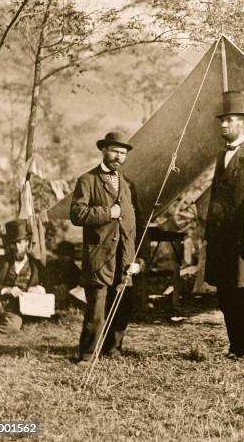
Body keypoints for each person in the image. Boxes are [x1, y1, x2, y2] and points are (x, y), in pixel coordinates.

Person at [70, 131, 146, 363]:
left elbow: (138, 223)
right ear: (103, 150)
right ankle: (87, 353)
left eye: (123, 153)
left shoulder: (129, 185)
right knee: (97, 308)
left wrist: (138, 258)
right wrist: (107, 213)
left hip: (124, 257)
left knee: (122, 305)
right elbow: (76, 214)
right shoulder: (87, 180)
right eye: (114, 151)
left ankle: (113, 349)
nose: (118, 157)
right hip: (99, 256)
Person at [204, 91, 244, 361]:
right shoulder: (221, 156)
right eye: (222, 121)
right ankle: (236, 347)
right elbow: (216, 197)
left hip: (242, 238)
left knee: (243, 294)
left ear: (243, 122)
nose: (223, 125)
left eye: (229, 120)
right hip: (220, 239)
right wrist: (209, 234)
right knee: (225, 294)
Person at [0, 219, 46, 333]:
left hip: (16, 310)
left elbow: (48, 284)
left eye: (20, 242)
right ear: (9, 245)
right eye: (13, 243)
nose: (17, 247)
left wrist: (40, 289)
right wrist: (5, 290)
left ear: (27, 243)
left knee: (13, 326)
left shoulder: (36, 266)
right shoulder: (1, 261)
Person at [45, 240, 81, 309]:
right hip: (52, 295)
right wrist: (53, 287)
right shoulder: (51, 265)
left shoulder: (75, 271)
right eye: (61, 254)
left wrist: (67, 289)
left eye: (67, 255)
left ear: (71, 256)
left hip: (68, 298)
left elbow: (76, 287)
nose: (63, 257)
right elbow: (46, 281)